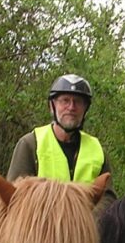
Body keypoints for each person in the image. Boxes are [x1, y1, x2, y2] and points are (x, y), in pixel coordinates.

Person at [6, 73, 116, 205]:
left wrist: (85, 214)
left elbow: (108, 199)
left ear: (85, 109)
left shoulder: (97, 150)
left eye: (78, 102)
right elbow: (14, 196)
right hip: (41, 217)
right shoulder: (31, 144)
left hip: (87, 218)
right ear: (52, 105)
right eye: (65, 100)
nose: (71, 107)